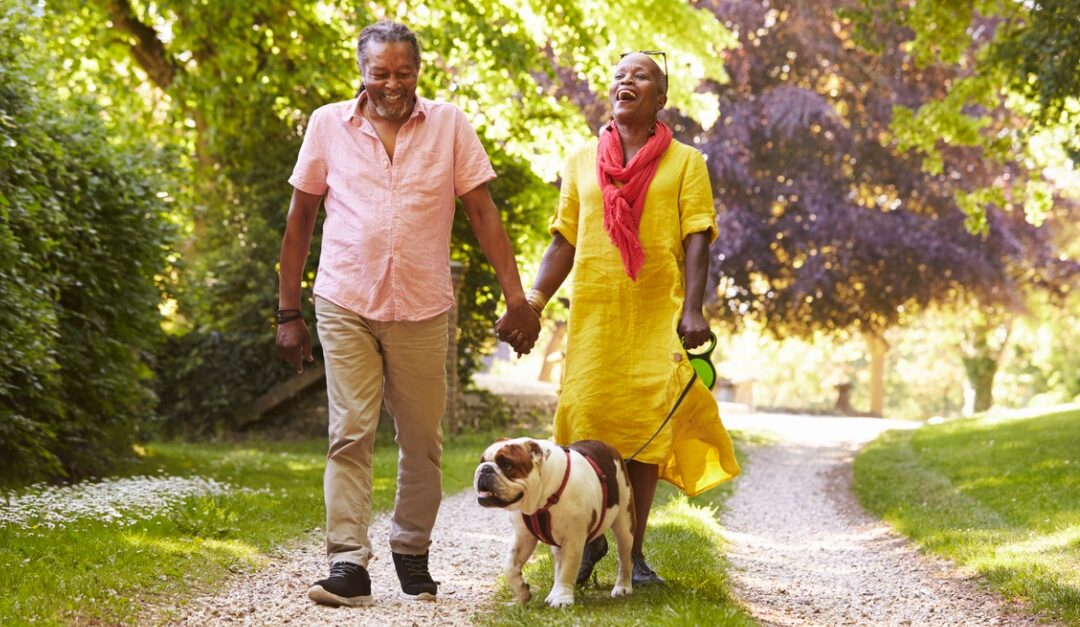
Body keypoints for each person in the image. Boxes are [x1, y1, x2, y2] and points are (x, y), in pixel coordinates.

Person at [276, 20, 540, 607]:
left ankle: (411, 549)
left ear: (418, 71)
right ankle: (348, 563)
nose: (393, 84)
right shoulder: (327, 125)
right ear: (362, 74)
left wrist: (516, 297)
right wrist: (287, 312)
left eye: (404, 72)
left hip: (421, 307)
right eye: (380, 74)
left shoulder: (449, 125)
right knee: (350, 434)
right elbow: (299, 221)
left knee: (422, 441)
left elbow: (482, 212)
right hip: (345, 299)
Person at [503, 51, 740, 586]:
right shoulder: (581, 159)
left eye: (642, 75)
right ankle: (584, 544)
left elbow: (697, 235)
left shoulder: (686, 163)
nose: (626, 80)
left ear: (660, 99)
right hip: (595, 316)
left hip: (657, 314)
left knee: (644, 435)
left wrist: (694, 308)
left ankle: (635, 555)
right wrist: (534, 302)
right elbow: (565, 238)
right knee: (586, 424)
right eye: (619, 74)